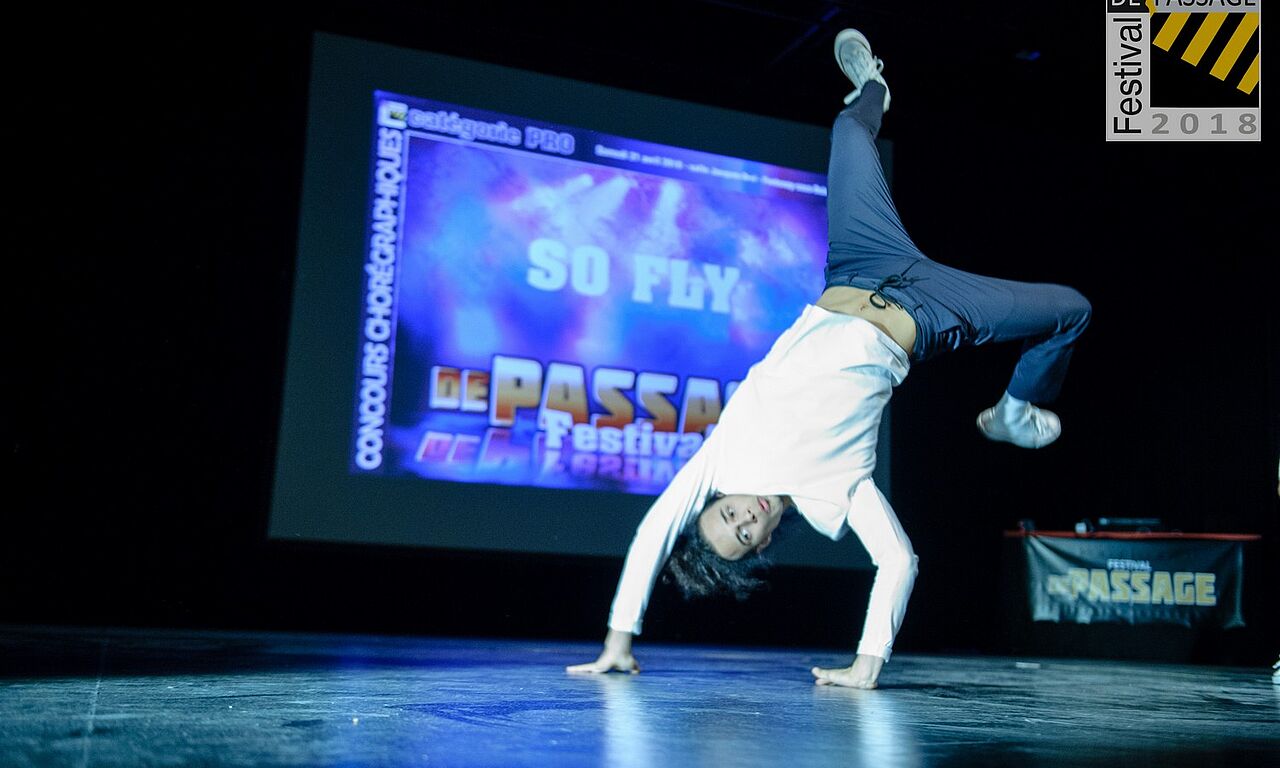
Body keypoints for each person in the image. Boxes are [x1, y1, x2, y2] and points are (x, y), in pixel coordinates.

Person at [567, 28, 1092, 688]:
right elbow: (899, 560)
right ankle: (1015, 410)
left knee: (848, 129)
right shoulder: (833, 496)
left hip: (860, 261)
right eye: (746, 535)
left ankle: (873, 85)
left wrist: (619, 639)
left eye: (729, 516)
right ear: (764, 544)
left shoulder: (724, 458)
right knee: (1072, 309)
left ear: (720, 499)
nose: (745, 518)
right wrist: (867, 664)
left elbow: (654, 532)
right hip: (930, 314)